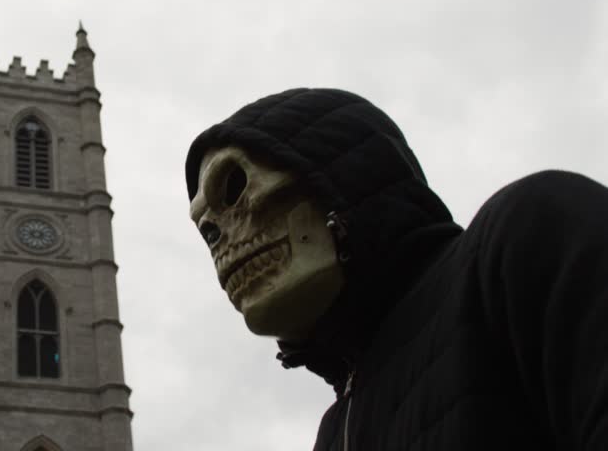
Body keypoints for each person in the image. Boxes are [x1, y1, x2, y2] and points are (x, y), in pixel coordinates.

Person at [184, 88, 608, 450]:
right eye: (205, 229)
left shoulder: (522, 238)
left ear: (334, 179)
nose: (217, 235)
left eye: (234, 189)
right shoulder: (333, 432)